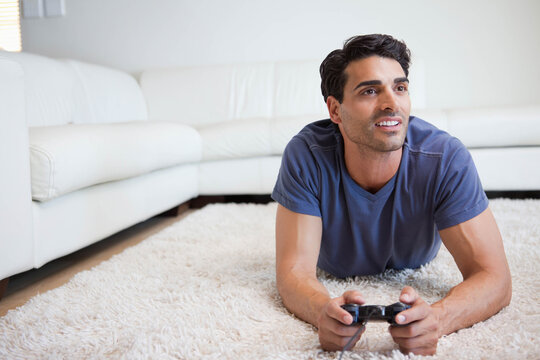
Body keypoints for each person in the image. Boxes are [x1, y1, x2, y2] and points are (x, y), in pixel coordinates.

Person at [271, 34, 512, 356]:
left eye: (400, 88)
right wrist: (322, 313)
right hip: (335, 266)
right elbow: (294, 273)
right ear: (335, 110)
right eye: (370, 91)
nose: (391, 103)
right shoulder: (306, 154)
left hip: (415, 260)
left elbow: (495, 278)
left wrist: (437, 320)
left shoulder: (445, 157)